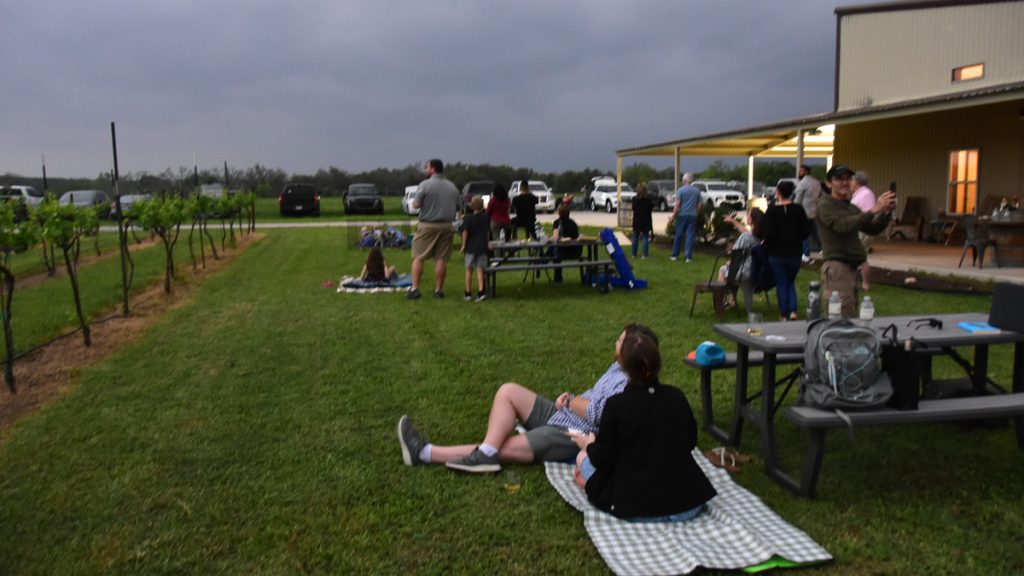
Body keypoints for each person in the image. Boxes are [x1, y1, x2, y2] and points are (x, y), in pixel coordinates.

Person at [396, 324, 658, 473]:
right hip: (563, 415)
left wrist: (570, 401)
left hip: (574, 435)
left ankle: (425, 453)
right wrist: (570, 402)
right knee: (509, 390)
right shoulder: (617, 368)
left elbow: (598, 414)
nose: (616, 342)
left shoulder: (630, 383)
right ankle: (486, 452)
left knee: (507, 447)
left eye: (620, 340)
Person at [569, 328, 716, 522]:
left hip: (636, 506)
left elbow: (603, 459)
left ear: (626, 366)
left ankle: (588, 479)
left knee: (582, 458)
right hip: (688, 503)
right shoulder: (676, 396)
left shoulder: (617, 405)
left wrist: (587, 444)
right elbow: (690, 442)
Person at [816, 164, 896, 318]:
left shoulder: (851, 207)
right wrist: (873, 210)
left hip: (853, 268)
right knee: (840, 316)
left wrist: (886, 212)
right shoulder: (825, 205)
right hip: (837, 268)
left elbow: (872, 228)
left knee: (850, 313)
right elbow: (842, 225)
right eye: (839, 179)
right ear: (829, 183)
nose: (845, 182)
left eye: (848, 178)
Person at [409, 159, 463, 300]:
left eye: (427, 167)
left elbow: (415, 205)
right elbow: (459, 206)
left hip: (427, 225)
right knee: (441, 258)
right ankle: (438, 290)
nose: (426, 170)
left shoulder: (425, 185)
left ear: (432, 168)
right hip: (447, 226)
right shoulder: (452, 186)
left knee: (418, 256)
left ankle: (414, 289)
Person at [762, 181, 810, 321]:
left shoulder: (771, 211)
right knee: (790, 281)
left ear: (778, 192)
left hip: (776, 253)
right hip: (795, 252)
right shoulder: (799, 210)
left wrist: (765, 246)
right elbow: (806, 231)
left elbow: (768, 233)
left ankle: (784, 313)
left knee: (781, 282)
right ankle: (793, 311)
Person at [720, 208, 765, 314]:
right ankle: (734, 301)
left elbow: (736, 255)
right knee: (733, 270)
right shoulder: (761, 237)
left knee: (724, 269)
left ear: (750, 220)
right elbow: (748, 234)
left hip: (743, 273)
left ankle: (721, 302)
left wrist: (730, 262)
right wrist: (734, 221)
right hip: (757, 273)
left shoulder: (746, 237)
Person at [850, 171, 877, 292]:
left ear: (856, 182)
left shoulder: (866, 194)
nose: (850, 182)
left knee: (861, 257)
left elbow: (868, 213)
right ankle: (856, 281)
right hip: (857, 230)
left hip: (863, 231)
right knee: (856, 257)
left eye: (851, 180)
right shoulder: (858, 194)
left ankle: (865, 284)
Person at [460, 195, 490, 302]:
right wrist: (487, 243)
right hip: (482, 247)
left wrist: (463, 245)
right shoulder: (485, 217)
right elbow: (486, 232)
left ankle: (468, 293)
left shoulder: (468, 219)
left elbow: (465, 232)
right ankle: (481, 291)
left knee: (469, 270)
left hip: (470, 247)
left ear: (472, 207)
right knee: (480, 269)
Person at [793, 164, 822, 263]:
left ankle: (805, 254)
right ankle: (823, 249)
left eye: (801, 171)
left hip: (803, 211)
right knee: (814, 232)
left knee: (803, 233)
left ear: (806, 172)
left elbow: (798, 198)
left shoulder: (803, 182)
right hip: (813, 210)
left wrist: (794, 209)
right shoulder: (817, 182)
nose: (799, 173)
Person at [670, 173, 701, 262]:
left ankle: (675, 255)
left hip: (682, 215)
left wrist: (673, 216)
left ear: (684, 180)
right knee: (690, 236)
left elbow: (677, 204)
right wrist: (697, 213)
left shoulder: (680, 190)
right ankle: (688, 257)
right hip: (692, 215)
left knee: (678, 235)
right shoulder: (697, 191)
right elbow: (699, 204)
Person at [549, 203, 582, 283]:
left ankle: (558, 278)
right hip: (575, 251)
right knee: (553, 249)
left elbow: (555, 238)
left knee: (553, 250)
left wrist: (549, 238)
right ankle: (542, 259)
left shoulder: (557, 222)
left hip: (562, 252)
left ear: (559, 213)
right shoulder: (573, 223)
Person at [631, 182, 654, 259]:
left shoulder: (634, 199)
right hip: (646, 220)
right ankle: (645, 255)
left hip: (637, 220)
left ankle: (634, 254)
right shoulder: (648, 200)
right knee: (645, 237)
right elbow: (650, 209)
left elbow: (633, 208)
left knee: (635, 237)